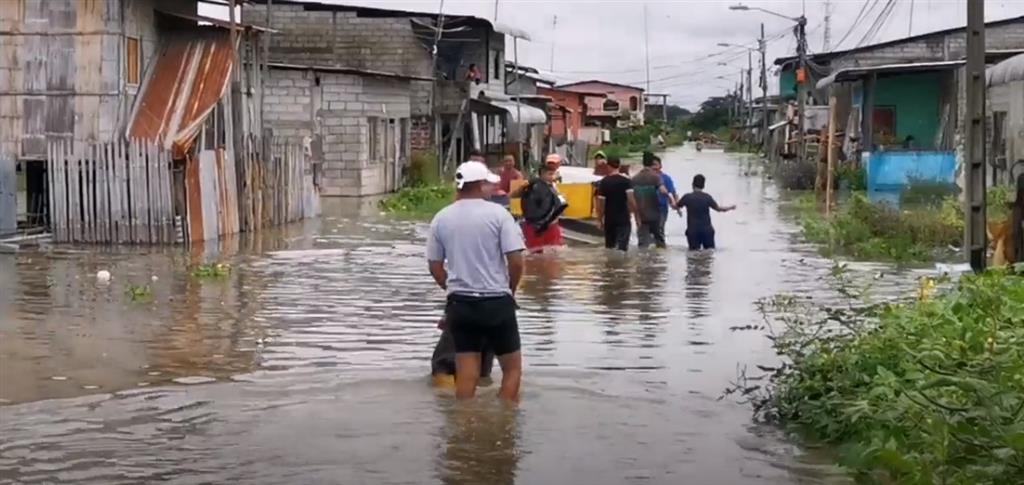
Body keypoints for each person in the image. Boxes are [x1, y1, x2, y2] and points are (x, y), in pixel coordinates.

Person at [426, 160, 526, 401]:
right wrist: (510, 291)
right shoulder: (499, 215)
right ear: (480, 185)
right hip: (496, 302)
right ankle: (505, 419)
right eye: (489, 184)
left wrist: (452, 289)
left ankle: (465, 418)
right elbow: (516, 261)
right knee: (512, 369)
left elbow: (435, 267)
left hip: (461, 304)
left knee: (466, 373)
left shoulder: (441, 218)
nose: (492, 189)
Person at [675, 174, 736, 250]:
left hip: (693, 231)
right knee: (709, 253)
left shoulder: (687, 197)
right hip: (707, 231)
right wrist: (730, 207)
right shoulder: (707, 197)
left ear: (692, 184)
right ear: (703, 186)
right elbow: (719, 209)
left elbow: (676, 206)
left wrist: (675, 198)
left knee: (693, 254)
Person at [519, 163, 568, 253]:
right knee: (535, 251)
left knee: (553, 251)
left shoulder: (553, 186)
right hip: (536, 226)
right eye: (550, 174)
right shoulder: (534, 187)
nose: (552, 176)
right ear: (542, 174)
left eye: (553, 174)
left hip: (551, 225)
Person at [595, 157, 639, 251]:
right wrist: (636, 216)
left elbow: (601, 204)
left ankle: (610, 261)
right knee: (622, 248)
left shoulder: (604, 182)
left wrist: (599, 219)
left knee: (610, 247)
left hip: (609, 220)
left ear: (608, 166)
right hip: (623, 219)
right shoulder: (626, 181)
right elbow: (631, 200)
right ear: (619, 166)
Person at [631, 151, 669, 249]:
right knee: (659, 243)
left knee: (643, 244)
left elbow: (631, 198)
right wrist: (671, 200)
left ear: (642, 162)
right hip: (655, 214)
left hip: (641, 215)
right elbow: (663, 191)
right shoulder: (655, 177)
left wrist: (635, 215)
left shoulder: (634, 178)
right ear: (652, 162)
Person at [653, 156, 680, 238]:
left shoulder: (666, 178)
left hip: (662, 208)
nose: (654, 167)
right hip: (648, 208)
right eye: (652, 165)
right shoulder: (646, 178)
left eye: (655, 164)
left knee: (660, 228)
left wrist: (677, 206)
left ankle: (661, 243)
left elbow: (673, 192)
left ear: (660, 166)